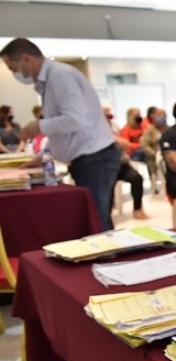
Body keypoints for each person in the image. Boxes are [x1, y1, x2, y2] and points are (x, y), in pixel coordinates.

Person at [2, 38, 119, 230]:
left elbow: (75, 119)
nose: (14, 73)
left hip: (95, 158)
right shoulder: (49, 81)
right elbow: (63, 133)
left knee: (96, 221)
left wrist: (39, 126)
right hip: (88, 159)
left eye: (12, 68)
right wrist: (42, 157)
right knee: (95, 218)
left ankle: (108, 250)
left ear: (26, 59)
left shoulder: (59, 76)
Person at [103, 109, 148, 220]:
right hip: (106, 166)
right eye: (108, 116)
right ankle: (107, 215)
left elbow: (125, 145)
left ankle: (137, 209)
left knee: (137, 178)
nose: (110, 118)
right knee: (108, 185)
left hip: (122, 163)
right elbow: (127, 145)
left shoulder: (114, 127)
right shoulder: (97, 131)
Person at [141, 107, 169, 193]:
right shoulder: (149, 131)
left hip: (169, 155)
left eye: (163, 115)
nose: (161, 117)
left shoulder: (170, 129)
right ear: (153, 117)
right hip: (154, 157)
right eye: (159, 115)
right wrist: (155, 154)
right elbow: (145, 145)